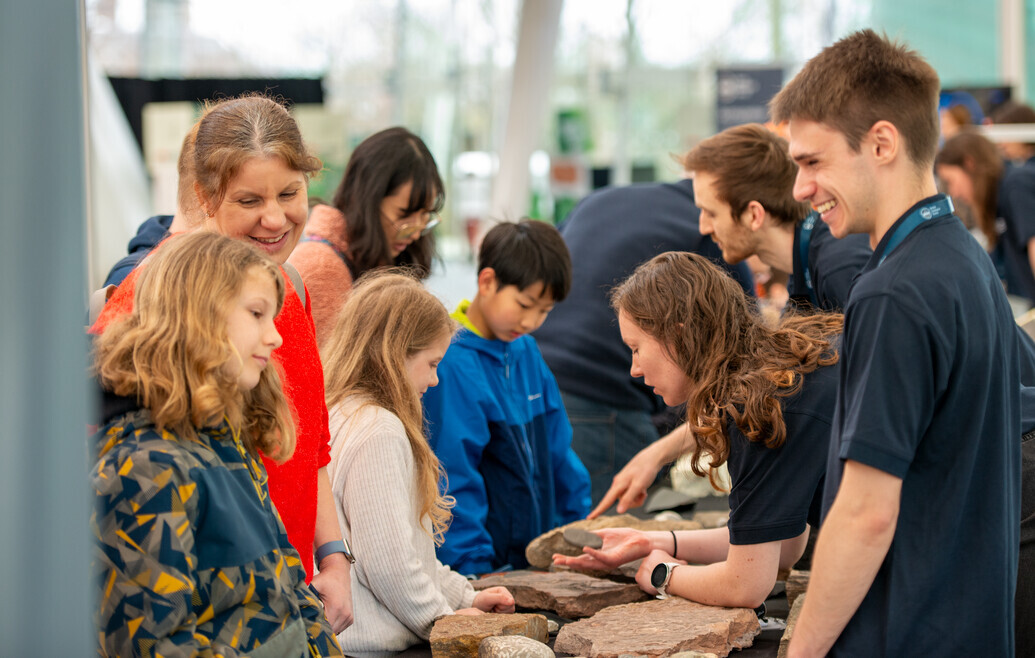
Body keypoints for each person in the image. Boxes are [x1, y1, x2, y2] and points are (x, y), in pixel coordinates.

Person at [770, 29, 1020, 656]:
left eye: (812, 162)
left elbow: (865, 513)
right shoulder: (963, 258)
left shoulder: (893, 293)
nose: (800, 190)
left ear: (881, 142)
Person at [92, 94, 354, 632]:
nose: (275, 217)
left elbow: (309, 443)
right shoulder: (154, 296)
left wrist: (333, 557)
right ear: (206, 197)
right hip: (207, 609)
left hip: (287, 595)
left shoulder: (289, 286)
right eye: (249, 200)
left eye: (289, 193)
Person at [586, 124, 873, 519]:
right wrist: (657, 453)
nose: (703, 227)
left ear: (754, 213)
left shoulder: (844, 266)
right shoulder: (807, 274)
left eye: (710, 212)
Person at [91, 232, 343, 657]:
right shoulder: (144, 468)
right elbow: (155, 645)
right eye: (257, 314)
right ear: (198, 316)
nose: (276, 337)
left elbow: (291, 595)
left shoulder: (230, 446)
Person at [553, 251, 842, 608]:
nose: (634, 370)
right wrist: (654, 542)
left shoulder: (757, 407)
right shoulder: (779, 371)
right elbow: (783, 545)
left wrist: (663, 574)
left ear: (680, 335)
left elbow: (745, 585)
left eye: (637, 349)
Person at [321, 271, 515, 656]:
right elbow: (389, 563)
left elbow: (408, 552)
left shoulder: (338, 412)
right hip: (370, 646)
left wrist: (465, 596)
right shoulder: (378, 429)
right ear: (395, 355)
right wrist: (443, 621)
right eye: (431, 363)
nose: (436, 379)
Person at [534, 178, 754, 507]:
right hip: (603, 393)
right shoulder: (706, 225)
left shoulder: (601, 198)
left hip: (540, 377)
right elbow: (745, 333)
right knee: (609, 524)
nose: (707, 222)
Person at [422, 219, 592, 575]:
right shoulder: (449, 362)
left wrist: (578, 531)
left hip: (536, 561)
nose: (531, 321)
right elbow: (452, 477)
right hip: (485, 569)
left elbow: (559, 452)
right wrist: (474, 569)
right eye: (525, 304)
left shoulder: (526, 352)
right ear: (487, 282)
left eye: (544, 311)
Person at [289, 127, 443, 346]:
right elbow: (332, 374)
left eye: (425, 216)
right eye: (405, 215)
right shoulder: (320, 267)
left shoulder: (382, 257)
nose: (417, 231)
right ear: (366, 201)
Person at [936, 129, 1035, 308]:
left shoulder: (1015, 185)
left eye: (951, 180)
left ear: (969, 164)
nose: (954, 193)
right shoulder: (997, 201)